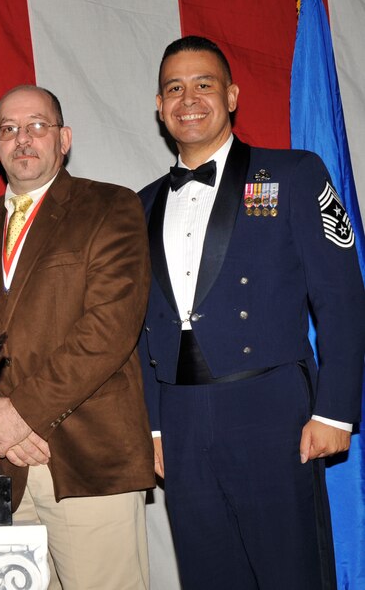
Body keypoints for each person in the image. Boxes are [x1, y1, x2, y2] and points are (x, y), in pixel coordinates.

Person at [139, 35, 365, 589]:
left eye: (203, 84)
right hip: (182, 417)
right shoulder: (139, 203)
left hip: (272, 411)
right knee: (208, 573)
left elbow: (341, 296)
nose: (188, 98)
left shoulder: (294, 174)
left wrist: (335, 410)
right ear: (160, 107)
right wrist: (153, 425)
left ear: (232, 96)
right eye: (174, 88)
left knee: (292, 573)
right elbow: (141, 324)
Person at [0, 85, 156, 590]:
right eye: (9, 129)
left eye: (37, 126)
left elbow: (110, 328)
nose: (22, 139)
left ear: (64, 138)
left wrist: (21, 411)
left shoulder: (110, 206)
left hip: (87, 461)